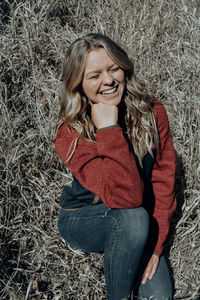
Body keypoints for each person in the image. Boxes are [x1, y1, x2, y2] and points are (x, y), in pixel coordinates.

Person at [54, 33, 176, 300]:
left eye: (113, 68)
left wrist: (157, 245)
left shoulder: (152, 112)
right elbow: (126, 199)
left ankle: (126, 247)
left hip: (138, 224)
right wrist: (108, 128)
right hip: (84, 217)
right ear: (78, 85)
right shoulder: (70, 133)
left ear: (125, 68)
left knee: (160, 296)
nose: (108, 80)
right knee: (132, 218)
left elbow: (164, 181)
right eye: (94, 75)